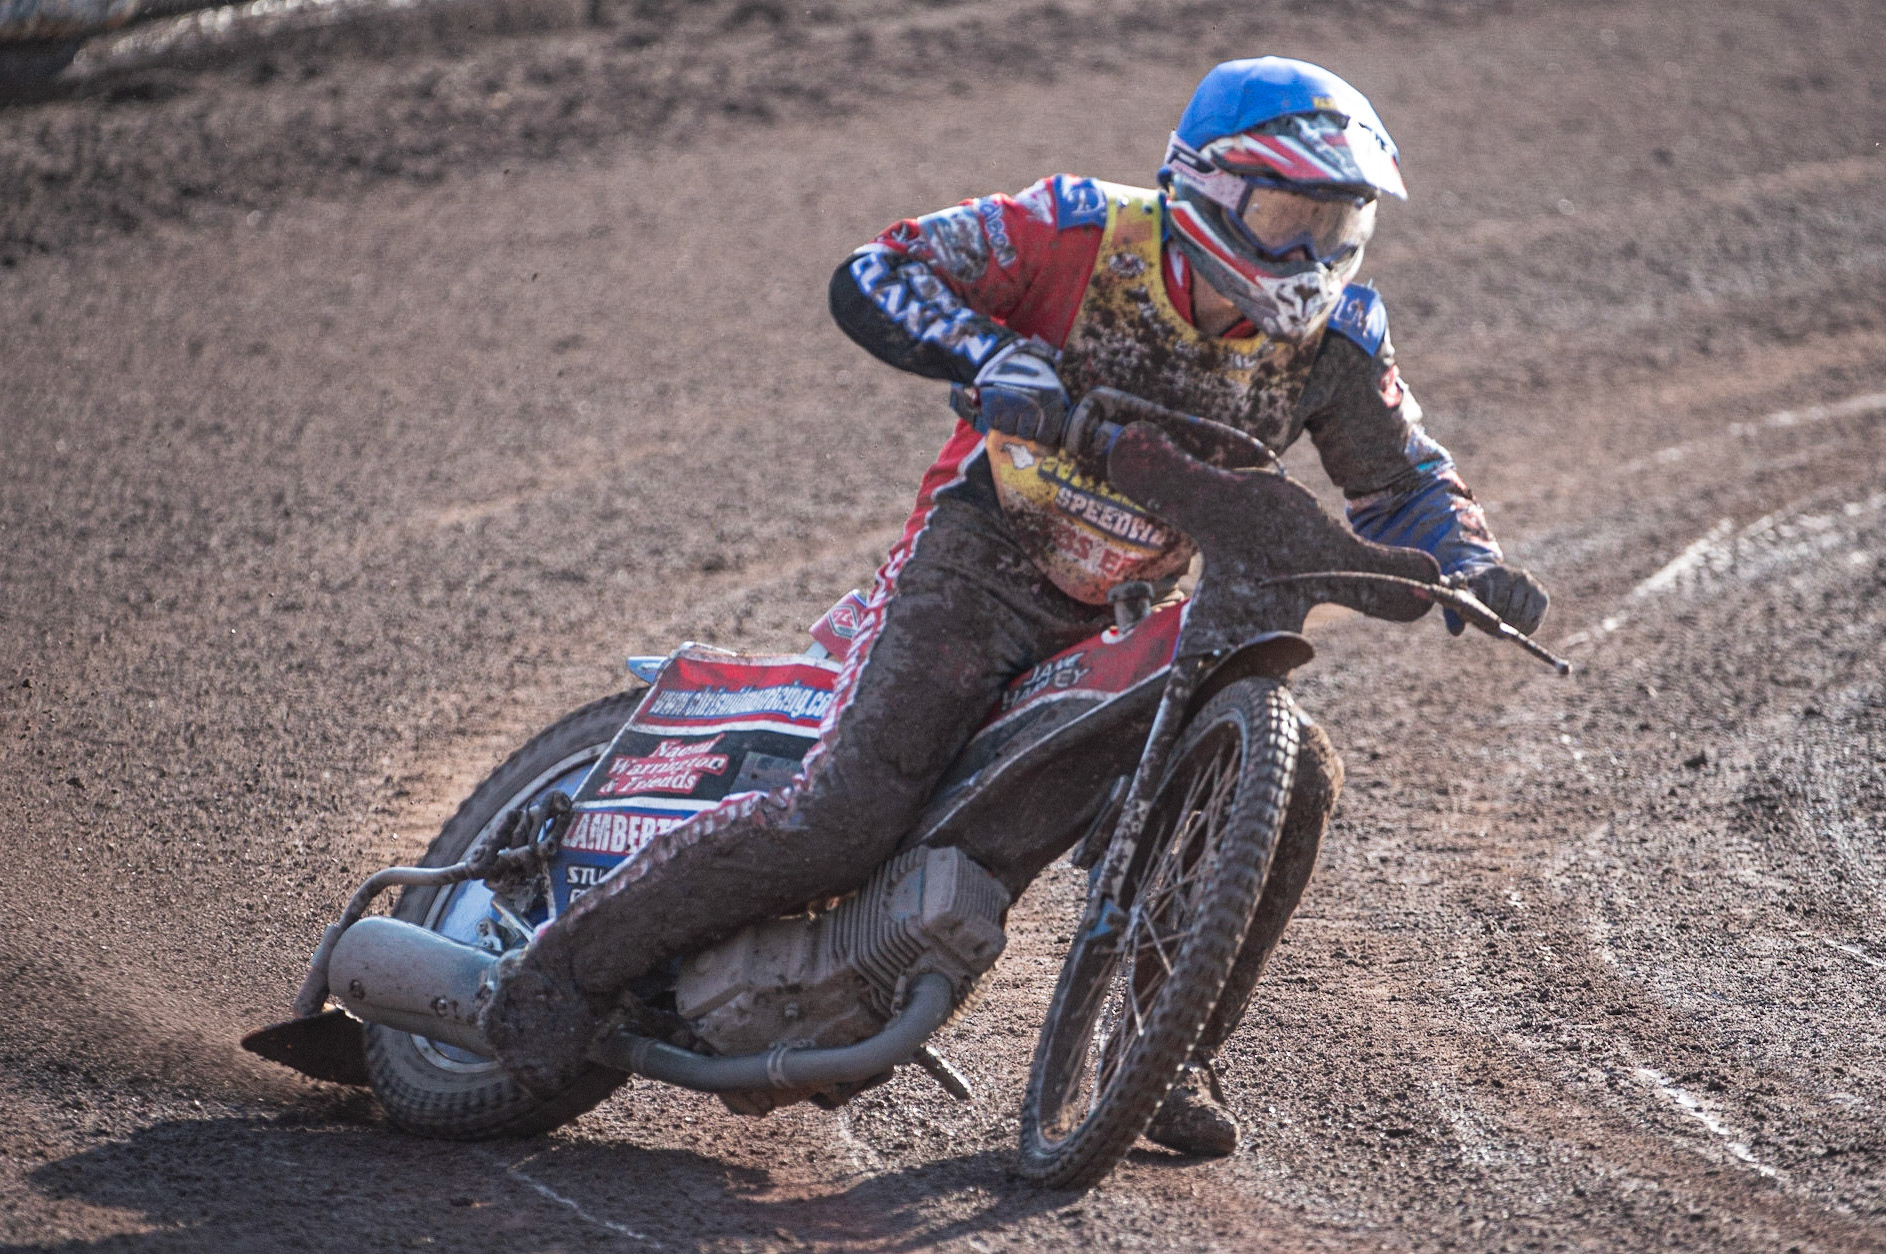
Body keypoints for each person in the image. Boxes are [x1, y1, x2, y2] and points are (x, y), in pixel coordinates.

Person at [481, 56, 1549, 1158]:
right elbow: (880, 269)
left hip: (1134, 605)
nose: (1306, 251)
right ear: (1204, 186)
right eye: (1283, 213)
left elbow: (1403, 482)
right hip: (982, 561)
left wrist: (1467, 557)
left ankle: (1167, 1047)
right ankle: (556, 973)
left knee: (1295, 774)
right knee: (847, 814)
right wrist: (993, 355)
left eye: (1333, 222)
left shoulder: (1335, 343)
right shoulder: (1080, 231)